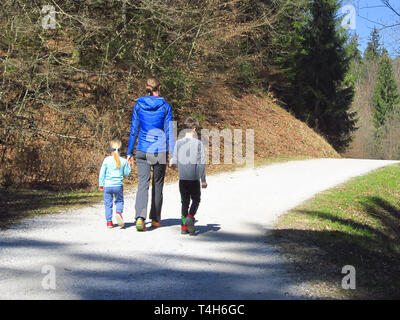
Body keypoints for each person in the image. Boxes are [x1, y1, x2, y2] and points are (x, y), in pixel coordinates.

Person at [127, 77, 175, 231]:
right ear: (159, 88)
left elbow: (134, 130)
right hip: (159, 151)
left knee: (143, 184)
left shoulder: (138, 106)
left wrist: (129, 152)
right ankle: (155, 219)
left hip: (141, 149)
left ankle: (140, 219)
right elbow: (169, 132)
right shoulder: (165, 107)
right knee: (157, 184)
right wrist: (172, 153)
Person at [170, 117, 207, 234]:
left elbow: (173, 162)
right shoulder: (198, 143)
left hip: (183, 179)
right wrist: (203, 180)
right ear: (194, 129)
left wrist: (172, 164)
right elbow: (201, 163)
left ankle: (184, 227)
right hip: (194, 179)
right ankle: (190, 217)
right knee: (196, 200)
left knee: (184, 202)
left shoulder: (178, 143)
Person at [99, 139, 131, 229]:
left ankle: (109, 222)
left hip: (107, 185)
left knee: (108, 203)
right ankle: (118, 213)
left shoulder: (106, 160)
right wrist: (129, 166)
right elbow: (126, 173)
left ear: (110, 149)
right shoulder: (124, 161)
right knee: (119, 201)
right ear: (120, 149)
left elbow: (102, 173)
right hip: (118, 185)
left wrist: (101, 184)